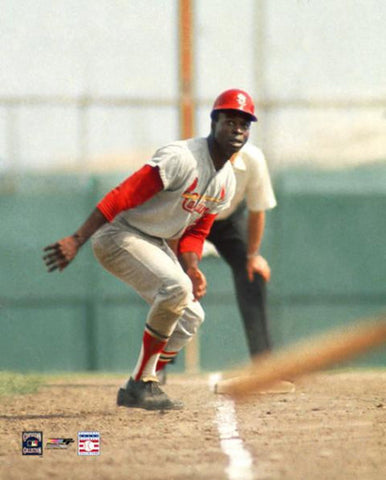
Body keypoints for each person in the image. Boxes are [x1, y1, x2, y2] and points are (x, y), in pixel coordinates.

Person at [43, 88, 258, 411]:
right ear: (214, 122)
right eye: (230, 120)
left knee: (190, 317)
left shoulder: (225, 180)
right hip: (118, 234)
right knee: (175, 288)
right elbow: (123, 195)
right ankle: (142, 385)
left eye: (244, 123)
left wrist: (192, 267)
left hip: (153, 240)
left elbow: (197, 230)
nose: (238, 128)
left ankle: (139, 383)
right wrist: (78, 238)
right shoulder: (182, 157)